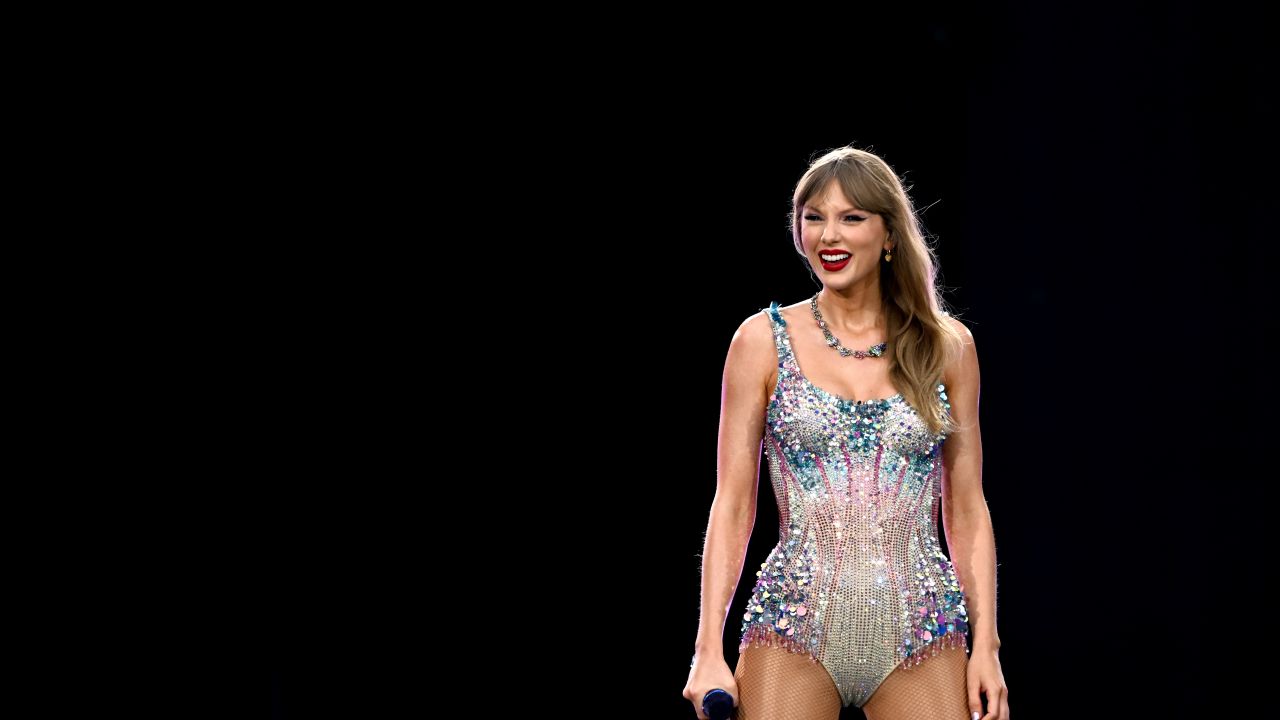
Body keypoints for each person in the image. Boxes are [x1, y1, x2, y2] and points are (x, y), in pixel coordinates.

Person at [682, 146, 1009, 720]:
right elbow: (733, 503)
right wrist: (708, 647)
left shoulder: (947, 346)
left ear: (888, 236)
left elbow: (967, 505)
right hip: (796, 627)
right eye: (814, 217)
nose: (828, 235)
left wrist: (987, 646)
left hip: (921, 630)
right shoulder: (761, 342)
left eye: (851, 217)